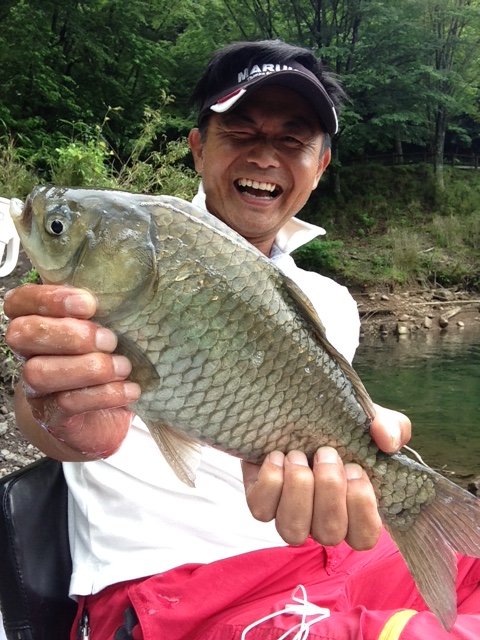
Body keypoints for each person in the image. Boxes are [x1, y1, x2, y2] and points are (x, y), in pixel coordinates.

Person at [4, 40, 479, 640]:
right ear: (199, 148)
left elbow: (327, 426)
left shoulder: (330, 300)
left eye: (292, 140)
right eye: (242, 133)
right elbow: (45, 393)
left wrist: (373, 449)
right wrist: (54, 413)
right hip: (179, 588)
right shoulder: (123, 243)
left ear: (320, 165)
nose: (264, 157)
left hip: (334, 560)